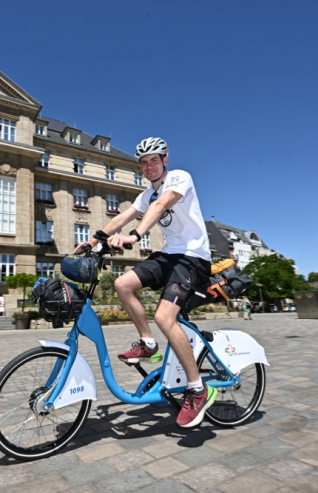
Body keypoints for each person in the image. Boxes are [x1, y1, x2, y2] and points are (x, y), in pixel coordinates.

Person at [74, 137, 215, 428]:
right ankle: (148, 344)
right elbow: (123, 216)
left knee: (165, 317)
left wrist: (135, 236)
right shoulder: (145, 194)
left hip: (192, 258)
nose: (149, 166)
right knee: (123, 284)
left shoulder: (179, 178)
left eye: (154, 160)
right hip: (169, 255)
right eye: (143, 162)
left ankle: (197, 388)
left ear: (165, 160)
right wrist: (94, 240)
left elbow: (162, 204)